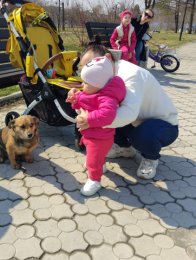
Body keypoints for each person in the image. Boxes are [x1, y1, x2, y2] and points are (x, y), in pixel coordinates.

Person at [77, 42, 179, 180]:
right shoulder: (105, 75)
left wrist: (91, 120)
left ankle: (150, 158)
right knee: (107, 116)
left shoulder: (131, 75)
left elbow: (128, 114)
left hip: (163, 125)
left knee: (143, 133)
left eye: (91, 63)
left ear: (107, 58)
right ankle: (124, 147)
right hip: (136, 119)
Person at [66, 56, 126, 196]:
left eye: (86, 83)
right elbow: (81, 102)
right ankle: (101, 165)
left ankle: (94, 180)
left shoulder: (106, 98)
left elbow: (107, 115)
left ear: (99, 84)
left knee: (92, 160)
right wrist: (74, 99)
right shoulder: (93, 91)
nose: (82, 85)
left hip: (100, 138)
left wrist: (89, 118)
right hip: (91, 135)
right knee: (96, 157)